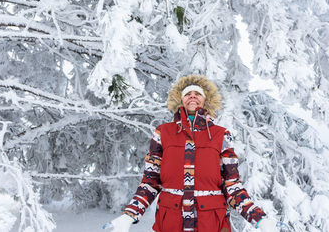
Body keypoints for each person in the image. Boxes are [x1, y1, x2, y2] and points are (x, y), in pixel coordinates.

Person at [103, 75, 280, 232]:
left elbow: (232, 186)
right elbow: (150, 182)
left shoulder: (221, 134)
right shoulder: (162, 133)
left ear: (206, 100)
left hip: (211, 223)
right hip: (171, 222)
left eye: (198, 94)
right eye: (188, 94)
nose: (193, 96)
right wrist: (129, 215)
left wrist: (259, 218)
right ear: (180, 100)